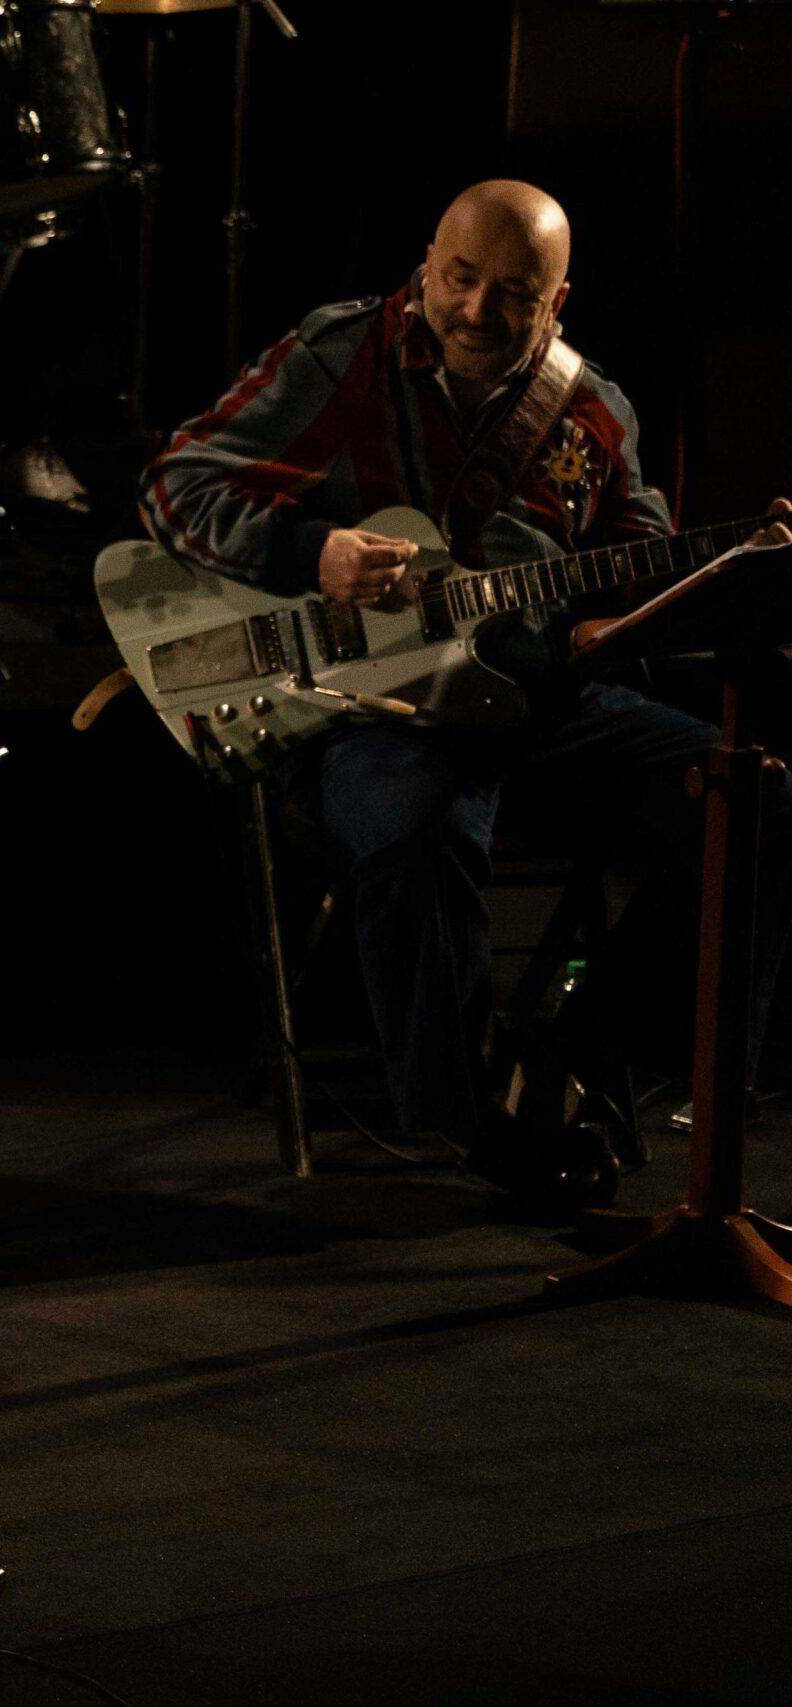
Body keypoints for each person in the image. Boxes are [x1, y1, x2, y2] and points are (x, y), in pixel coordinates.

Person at [140, 179, 792, 1207]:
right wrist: (313, 551)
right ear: (426, 263)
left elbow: (632, 566)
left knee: (747, 796)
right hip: (375, 706)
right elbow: (175, 485)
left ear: (557, 300)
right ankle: (475, 1116)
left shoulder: (591, 409)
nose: (477, 312)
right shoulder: (340, 352)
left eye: (512, 293)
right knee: (413, 822)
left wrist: (611, 628)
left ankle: (586, 1058)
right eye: (459, 279)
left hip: (539, 703)